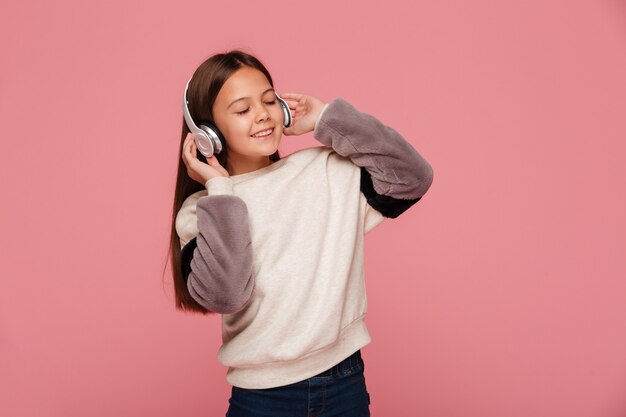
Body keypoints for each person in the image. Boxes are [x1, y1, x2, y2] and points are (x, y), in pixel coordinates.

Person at [167, 49, 434, 417]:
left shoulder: (325, 169)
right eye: (243, 110)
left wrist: (327, 117)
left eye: (268, 100)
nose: (262, 114)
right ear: (206, 133)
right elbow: (226, 295)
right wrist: (220, 188)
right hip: (262, 397)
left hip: (345, 381)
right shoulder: (203, 210)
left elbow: (412, 177)